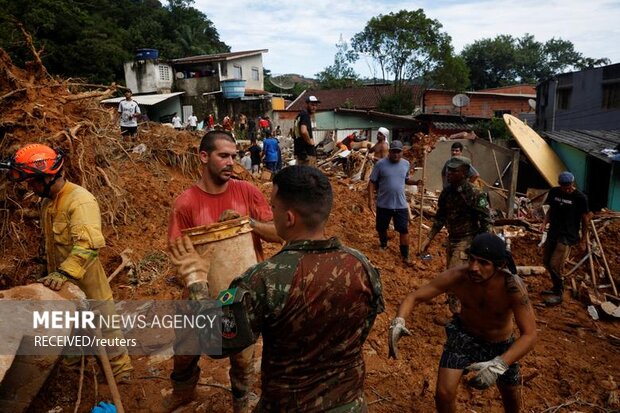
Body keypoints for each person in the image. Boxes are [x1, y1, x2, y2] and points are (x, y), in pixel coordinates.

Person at [170, 165, 384, 412]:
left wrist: (197, 281)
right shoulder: (362, 265)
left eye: (273, 207)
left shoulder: (263, 279)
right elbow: (364, 327)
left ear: (289, 218)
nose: (270, 212)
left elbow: (215, 342)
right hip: (351, 404)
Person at [164, 130, 281, 413]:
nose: (231, 162)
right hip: (200, 292)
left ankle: (240, 402)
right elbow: (179, 251)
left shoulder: (247, 192)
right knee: (185, 352)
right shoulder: (186, 202)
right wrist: (198, 291)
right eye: (224, 155)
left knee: (242, 357)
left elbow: (278, 233)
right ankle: (183, 391)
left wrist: (248, 223)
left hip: (243, 297)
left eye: (234, 156)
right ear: (203, 157)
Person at [6, 143, 133, 382]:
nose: (30, 187)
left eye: (33, 181)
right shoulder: (47, 202)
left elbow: (88, 246)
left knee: (103, 324)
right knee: (69, 327)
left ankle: (120, 372)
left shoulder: (79, 201)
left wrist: (63, 274)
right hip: (61, 281)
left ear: (48, 177)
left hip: (85, 280)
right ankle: (73, 367)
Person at [389, 233, 537, 413]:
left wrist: (500, 364)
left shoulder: (512, 287)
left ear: (500, 266)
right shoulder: (458, 276)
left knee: (511, 397)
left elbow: (530, 335)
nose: (474, 268)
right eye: (472, 259)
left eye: (483, 263)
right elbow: (414, 297)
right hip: (464, 336)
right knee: (444, 394)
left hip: (501, 345)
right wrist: (399, 321)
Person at [540, 171, 589, 306]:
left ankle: (559, 293)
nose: (566, 189)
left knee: (555, 264)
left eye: (568, 186)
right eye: (563, 186)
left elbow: (585, 219)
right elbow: (550, 210)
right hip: (553, 232)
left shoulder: (580, 198)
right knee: (546, 261)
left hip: (568, 235)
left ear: (572, 183)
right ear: (559, 184)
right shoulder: (554, 192)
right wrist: (544, 223)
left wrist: (583, 239)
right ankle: (555, 287)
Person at [368, 140, 421, 263]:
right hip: (383, 204)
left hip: (400, 204)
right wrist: (370, 200)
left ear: (402, 152)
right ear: (389, 151)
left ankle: (405, 255)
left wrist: (416, 182)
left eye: (398, 152)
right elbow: (372, 182)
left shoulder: (406, 164)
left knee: (403, 230)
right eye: (394, 152)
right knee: (381, 227)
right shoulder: (380, 164)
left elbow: (406, 180)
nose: (396, 154)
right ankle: (383, 244)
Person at [294, 95, 320, 166]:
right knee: (309, 175)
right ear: (306, 104)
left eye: (315, 105)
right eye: (312, 105)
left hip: (300, 152)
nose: (314, 107)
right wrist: (310, 142)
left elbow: (294, 132)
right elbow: (304, 131)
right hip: (307, 153)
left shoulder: (299, 116)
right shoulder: (305, 115)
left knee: (301, 175)